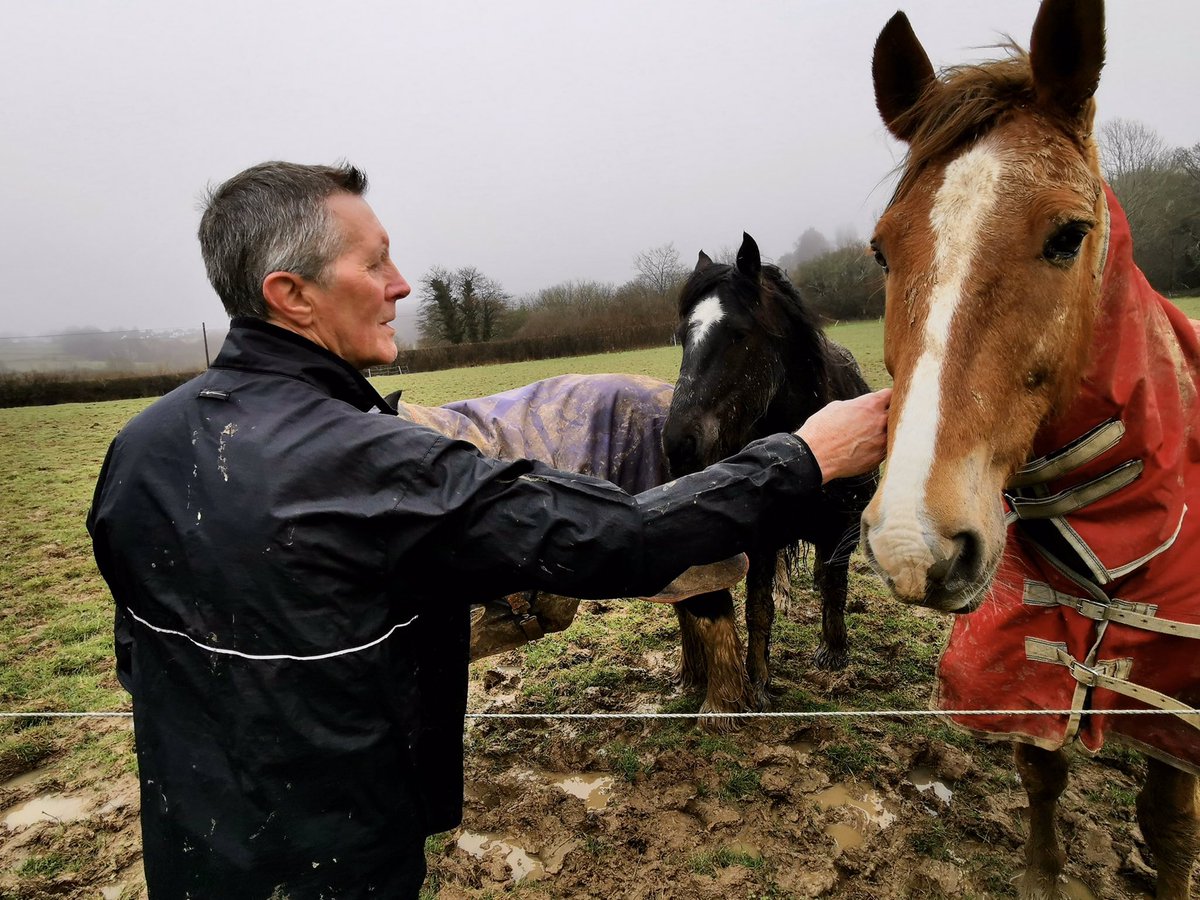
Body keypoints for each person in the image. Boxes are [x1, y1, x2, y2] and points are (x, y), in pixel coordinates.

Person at [87, 160, 889, 899]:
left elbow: (138, 655)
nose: (401, 284)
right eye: (373, 264)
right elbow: (623, 541)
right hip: (345, 857)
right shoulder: (384, 463)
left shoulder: (140, 447)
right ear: (291, 294)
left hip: (191, 846)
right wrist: (804, 457)